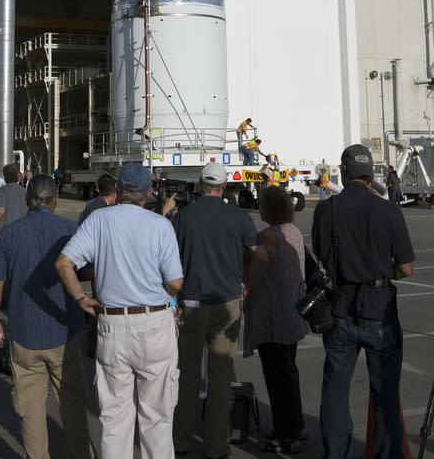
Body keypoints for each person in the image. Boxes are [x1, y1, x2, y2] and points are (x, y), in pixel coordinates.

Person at [56, 163, 183, 459]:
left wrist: (81, 298)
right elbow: (175, 282)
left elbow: (64, 264)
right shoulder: (159, 224)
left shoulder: (99, 219)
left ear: (118, 190)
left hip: (112, 324)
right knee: (157, 418)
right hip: (153, 322)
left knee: (114, 418)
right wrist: (165, 296)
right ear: (149, 192)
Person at [312, 144, 415, 459]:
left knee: (335, 392)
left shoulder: (326, 210)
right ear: (371, 173)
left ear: (343, 172)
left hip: (340, 310)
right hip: (378, 310)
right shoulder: (388, 210)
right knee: (384, 394)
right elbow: (406, 267)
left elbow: (320, 254)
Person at [0, 174, 96, 459]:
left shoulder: (9, 233)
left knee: (30, 409)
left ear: (26, 199)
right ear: (55, 199)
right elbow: (86, 271)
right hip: (64, 330)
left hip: (24, 333)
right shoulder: (71, 229)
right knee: (71, 403)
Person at [172, 162, 259, 459]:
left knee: (187, 375)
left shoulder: (183, 217)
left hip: (192, 303)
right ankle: (215, 444)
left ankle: (180, 441)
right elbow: (258, 255)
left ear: (200, 184)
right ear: (224, 186)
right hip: (226, 302)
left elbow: (170, 259)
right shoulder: (239, 217)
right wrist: (247, 283)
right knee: (221, 377)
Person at [243, 186, 308, 454]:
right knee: (289, 373)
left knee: (278, 377)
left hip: (273, 315)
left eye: (261, 204)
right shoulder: (293, 231)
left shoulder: (268, 235)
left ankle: (286, 434)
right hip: (292, 312)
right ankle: (296, 424)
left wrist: (245, 286)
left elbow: (254, 265)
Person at [0, 162, 27, 234]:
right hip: (22, 230)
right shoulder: (24, 191)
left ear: (5, 176)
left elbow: (1, 210)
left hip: (6, 231)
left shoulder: (3, 190)